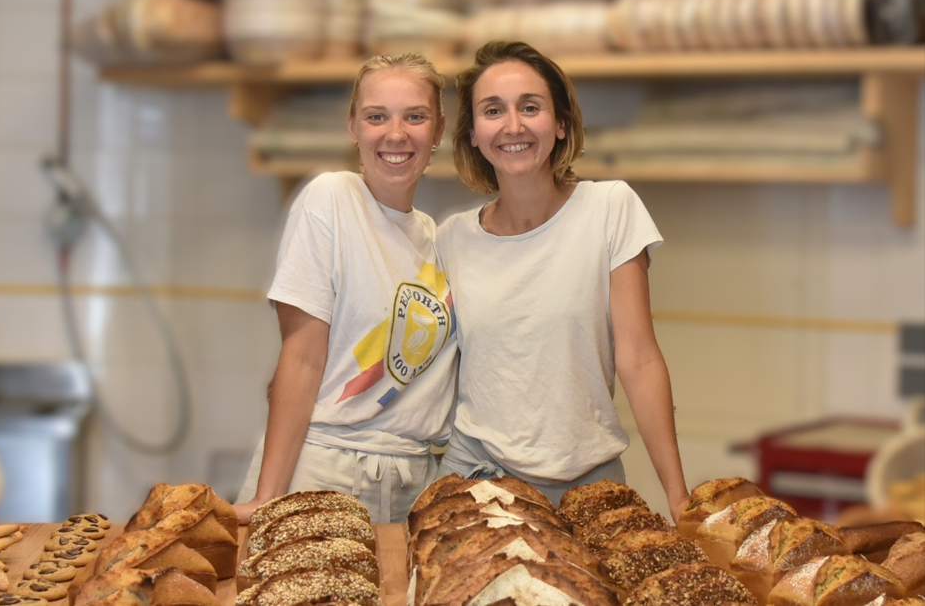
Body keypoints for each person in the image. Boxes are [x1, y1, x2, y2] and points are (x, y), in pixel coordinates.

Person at [435, 41, 690, 521]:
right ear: (472, 133)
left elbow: (639, 357)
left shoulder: (611, 209)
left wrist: (679, 498)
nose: (513, 126)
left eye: (530, 107)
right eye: (493, 110)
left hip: (590, 487)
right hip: (477, 481)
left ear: (560, 124)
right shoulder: (451, 239)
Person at [234, 53, 458, 525]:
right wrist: (266, 496)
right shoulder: (331, 199)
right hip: (325, 468)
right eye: (376, 116)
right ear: (353, 126)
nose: (395, 134)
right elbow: (301, 356)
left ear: (438, 130)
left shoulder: (437, 239)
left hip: (416, 482)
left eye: (414, 117)